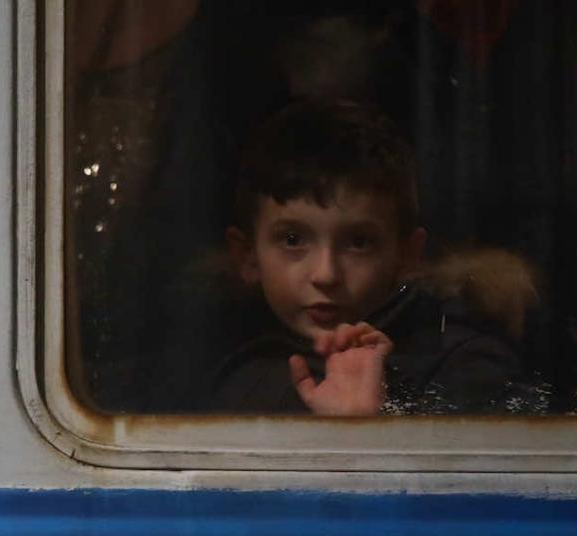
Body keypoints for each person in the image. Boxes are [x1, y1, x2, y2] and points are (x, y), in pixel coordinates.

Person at [203, 98, 531, 414]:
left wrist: (371, 426)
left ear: (406, 256)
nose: (326, 274)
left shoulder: (464, 370)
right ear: (247, 256)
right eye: (292, 239)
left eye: (358, 242)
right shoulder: (240, 379)